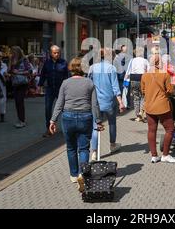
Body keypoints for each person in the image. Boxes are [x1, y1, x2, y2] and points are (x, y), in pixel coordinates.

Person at [49, 57, 103, 190]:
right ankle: (82, 174)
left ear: (71, 68)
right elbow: (94, 104)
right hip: (85, 117)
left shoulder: (65, 83)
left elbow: (59, 103)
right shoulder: (89, 83)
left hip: (68, 117)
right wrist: (99, 121)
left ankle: (73, 175)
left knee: (71, 147)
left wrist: (53, 120)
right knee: (84, 148)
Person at [89, 48, 126, 160]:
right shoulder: (111, 68)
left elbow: (88, 83)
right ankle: (112, 145)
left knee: (95, 126)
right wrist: (120, 102)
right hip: (109, 101)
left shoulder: (92, 68)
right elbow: (115, 87)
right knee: (112, 123)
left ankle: (94, 152)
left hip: (95, 102)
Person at [141, 54, 175, 164]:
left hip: (149, 106)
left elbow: (143, 91)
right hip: (162, 106)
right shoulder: (165, 75)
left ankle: (154, 155)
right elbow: (170, 90)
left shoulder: (144, 75)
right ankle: (165, 154)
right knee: (170, 129)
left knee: (151, 130)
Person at [38, 45, 69, 137]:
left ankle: (66, 129)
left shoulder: (63, 63)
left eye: (58, 52)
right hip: (50, 89)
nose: (57, 54)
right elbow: (43, 75)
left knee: (64, 109)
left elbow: (67, 76)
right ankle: (48, 129)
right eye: (55, 53)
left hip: (61, 89)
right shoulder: (47, 63)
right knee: (48, 109)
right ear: (51, 53)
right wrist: (40, 85)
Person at [9, 46, 32, 128]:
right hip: (15, 83)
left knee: (20, 101)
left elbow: (30, 70)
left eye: (13, 52)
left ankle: (22, 121)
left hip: (23, 83)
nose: (12, 53)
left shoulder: (24, 60)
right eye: (12, 52)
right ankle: (20, 119)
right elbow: (10, 71)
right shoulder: (11, 60)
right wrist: (11, 72)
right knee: (17, 102)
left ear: (18, 52)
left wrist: (19, 72)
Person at [125, 47, 149, 122]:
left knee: (136, 97)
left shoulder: (132, 60)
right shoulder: (145, 61)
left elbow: (128, 71)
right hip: (142, 79)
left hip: (133, 79)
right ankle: (141, 113)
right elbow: (148, 71)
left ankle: (137, 115)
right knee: (143, 96)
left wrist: (125, 80)